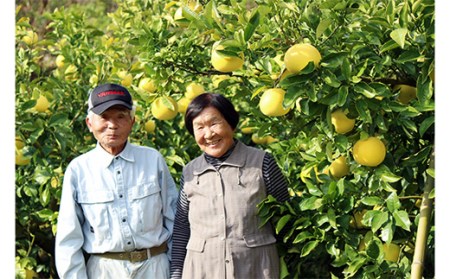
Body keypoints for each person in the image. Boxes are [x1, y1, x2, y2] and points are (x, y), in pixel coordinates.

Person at [55, 83, 179, 278]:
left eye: (121, 116)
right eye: (104, 117)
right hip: (104, 271)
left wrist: (177, 272)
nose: (112, 125)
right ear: (89, 123)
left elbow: (174, 221)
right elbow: (68, 240)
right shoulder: (78, 170)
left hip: (155, 268)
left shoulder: (153, 160)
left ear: (132, 121)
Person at [170, 93, 290, 279]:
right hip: (201, 271)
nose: (208, 134)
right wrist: (176, 274)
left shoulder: (261, 163)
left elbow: (285, 218)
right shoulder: (189, 173)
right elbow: (182, 227)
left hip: (255, 270)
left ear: (231, 123)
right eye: (199, 127)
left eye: (214, 123)